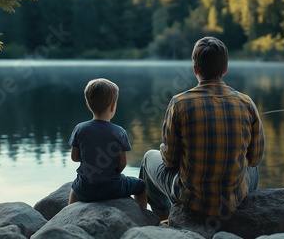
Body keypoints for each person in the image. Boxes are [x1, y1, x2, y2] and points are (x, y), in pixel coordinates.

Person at [139, 36, 265, 220]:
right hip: (232, 199)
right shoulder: (247, 102)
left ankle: (162, 216)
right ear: (225, 69)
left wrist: (165, 149)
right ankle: (239, 211)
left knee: (148, 158)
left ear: (195, 69)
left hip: (191, 198)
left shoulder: (179, 103)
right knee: (253, 169)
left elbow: (170, 160)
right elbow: (255, 158)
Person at [68, 78, 147, 208]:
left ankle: (68, 214)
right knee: (141, 186)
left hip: (86, 188)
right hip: (112, 188)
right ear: (113, 106)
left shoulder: (80, 129)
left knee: (74, 188)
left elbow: (74, 157)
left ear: (88, 105)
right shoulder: (119, 132)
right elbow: (122, 164)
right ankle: (144, 217)